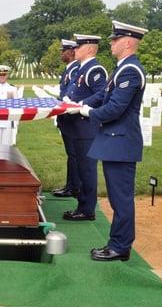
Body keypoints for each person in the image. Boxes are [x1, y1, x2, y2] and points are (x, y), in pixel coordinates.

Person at [80, 21, 148, 262]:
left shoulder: (130, 70)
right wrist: (83, 105)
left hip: (121, 143)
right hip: (115, 142)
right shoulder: (122, 68)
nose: (110, 43)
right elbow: (104, 96)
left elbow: (117, 107)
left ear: (128, 42)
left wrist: (89, 113)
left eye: (115, 39)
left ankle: (120, 246)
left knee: (121, 198)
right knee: (117, 197)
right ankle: (118, 242)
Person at [62, 34, 107, 221]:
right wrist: (67, 101)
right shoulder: (82, 69)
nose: (75, 50)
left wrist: (80, 104)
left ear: (89, 49)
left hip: (86, 127)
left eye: (79, 47)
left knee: (87, 170)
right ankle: (82, 205)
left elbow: (102, 94)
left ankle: (87, 209)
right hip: (77, 127)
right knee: (81, 169)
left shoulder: (95, 69)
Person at [52, 40, 81, 198]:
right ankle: (70, 185)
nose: (61, 53)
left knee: (74, 154)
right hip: (66, 118)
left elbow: (69, 94)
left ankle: (74, 187)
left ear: (71, 52)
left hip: (72, 119)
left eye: (63, 51)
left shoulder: (76, 69)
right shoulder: (69, 69)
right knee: (71, 154)